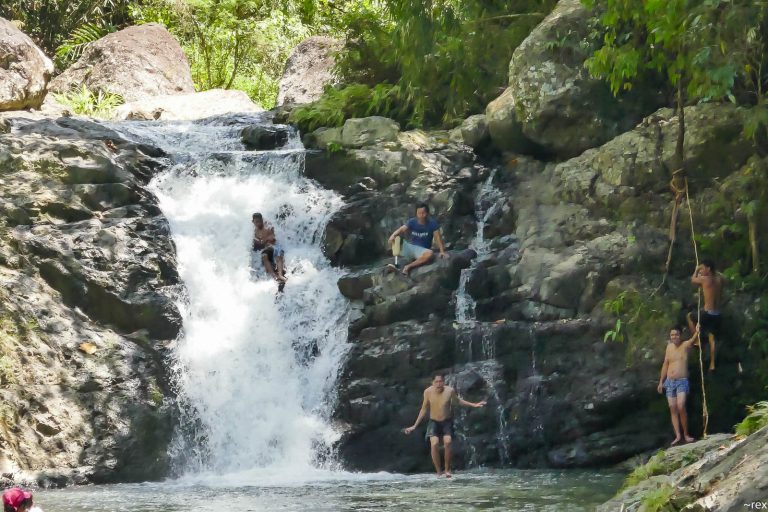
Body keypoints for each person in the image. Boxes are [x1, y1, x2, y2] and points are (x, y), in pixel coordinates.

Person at [403, 374, 486, 477]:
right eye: (436, 382)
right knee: (434, 444)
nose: (439, 384)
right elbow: (424, 409)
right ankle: (438, 471)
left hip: (447, 421)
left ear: (444, 382)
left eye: (441, 381)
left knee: (448, 441)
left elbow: (458, 401)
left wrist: (474, 404)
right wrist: (414, 426)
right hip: (433, 421)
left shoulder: (449, 391)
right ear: (432, 383)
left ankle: (447, 470)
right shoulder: (428, 392)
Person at [657, 325, 700, 445]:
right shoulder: (669, 347)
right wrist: (661, 381)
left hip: (682, 380)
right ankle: (678, 435)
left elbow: (693, 340)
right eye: (672, 335)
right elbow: (665, 364)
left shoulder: (685, 345)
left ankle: (686, 434)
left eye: (676, 334)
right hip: (670, 381)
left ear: (680, 335)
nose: (674, 337)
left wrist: (697, 331)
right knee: (672, 407)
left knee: (680, 406)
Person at [387, 203, 448, 276]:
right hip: (410, 247)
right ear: (416, 213)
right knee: (396, 239)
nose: (421, 215)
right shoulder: (412, 221)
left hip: (422, 251)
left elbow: (438, 238)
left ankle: (408, 267)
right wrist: (392, 236)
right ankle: (396, 265)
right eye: (419, 213)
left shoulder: (432, 224)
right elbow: (401, 230)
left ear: (427, 213)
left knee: (430, 254)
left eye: (423, 213)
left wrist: (442, 251)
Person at [688, 260, 724, 370]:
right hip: (718, 315)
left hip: (707, 314)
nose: (702, 270)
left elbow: (693, 280)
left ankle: (697, 340)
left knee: (689, 316)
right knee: (712, 337)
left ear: (708, 269)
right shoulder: (720, 280)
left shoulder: (705, 279)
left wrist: (696, 269)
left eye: (703, 268)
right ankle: (712, 364)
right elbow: (722, 277)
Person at [251, 212, 286, 288]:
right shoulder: (254, 231)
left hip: (275, 246)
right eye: (256, 222)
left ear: (262, 220)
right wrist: (260, 242)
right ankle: (274, 276)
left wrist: (264, 240)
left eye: (259, 221)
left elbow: (273, 237)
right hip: (267, 249)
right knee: (264, 256)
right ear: (253, 221)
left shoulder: (267, 225)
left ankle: (280, 275)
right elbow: (259, 244)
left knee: (278, 254)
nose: (258, 223)